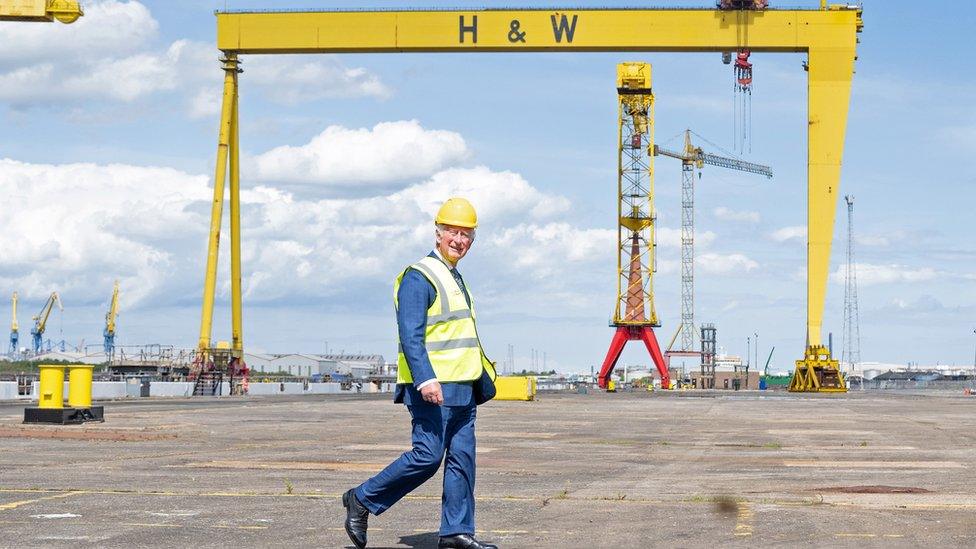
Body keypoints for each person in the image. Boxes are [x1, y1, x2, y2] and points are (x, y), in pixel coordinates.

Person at [343, 197, 498, 549]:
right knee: (427, 456)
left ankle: (457, 532)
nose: (459, 240)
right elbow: (409, 334)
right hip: (433, 388)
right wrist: (425, 378)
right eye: (453, 232)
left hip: (464, 387)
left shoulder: (456, 277)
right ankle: (362, 499)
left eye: (467, 235)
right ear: (438, 233)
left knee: (462, 461)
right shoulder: (419, 276)